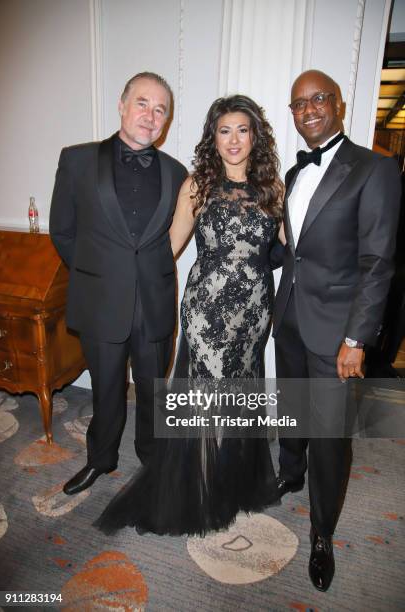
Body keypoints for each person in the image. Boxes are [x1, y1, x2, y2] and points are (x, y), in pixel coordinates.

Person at [93, 94, 283, 536]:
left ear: (255, 136)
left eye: (242, 129)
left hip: (253, 313)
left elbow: (293, 246)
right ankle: (199, 490)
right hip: (208, 312)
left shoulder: (274, 188)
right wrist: (123, 278)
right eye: (224, 130)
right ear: (212, 138)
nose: (233, 140)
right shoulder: (198, 185)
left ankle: (230, 482)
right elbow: (169, 247)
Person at [271, 70, 401, 591]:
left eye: (318, 99)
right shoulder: (294, 173)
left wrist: (355, 340)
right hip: (292, 318)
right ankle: (289, 471)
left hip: (337, 331)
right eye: (298, 103)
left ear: (339, 104)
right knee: (292, 406)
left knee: (330, 435)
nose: (308, 109)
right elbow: (293, 250)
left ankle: (322, 531)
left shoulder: (375, 168)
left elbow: (377, 262)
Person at [49, 72, 188, 495]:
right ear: (122, 105)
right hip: (100, 301)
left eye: (160, 109)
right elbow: (63, 231)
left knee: (153, 390)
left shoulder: (177, 172)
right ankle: (100, 460)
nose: (150, 115)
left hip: (154, 300)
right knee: (106, 388)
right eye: (143, 103)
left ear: (166, 121)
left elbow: (173, 237)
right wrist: (98, 276)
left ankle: (152, 458)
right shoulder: (76, 160)